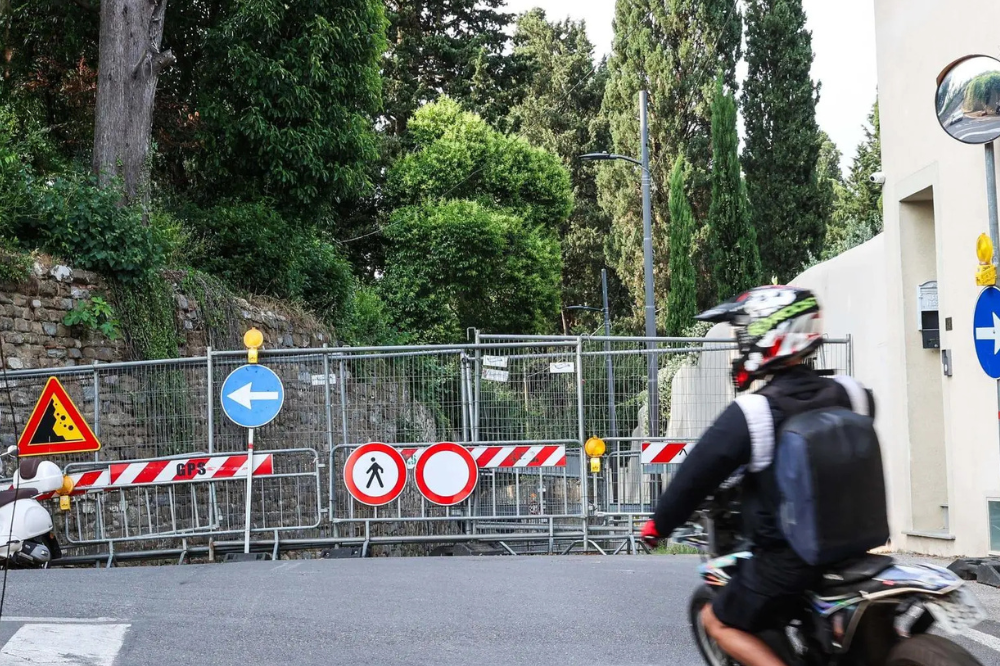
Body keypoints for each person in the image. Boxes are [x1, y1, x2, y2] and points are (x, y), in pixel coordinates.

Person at [640, 285, 876, 666]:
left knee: (716, 621)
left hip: (790, 561)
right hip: (857, 550)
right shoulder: (853, 393)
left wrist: (658, 525)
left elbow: (695, 475)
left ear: (765, 336)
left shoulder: (755, 413)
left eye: (744, 334)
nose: (740, 345)